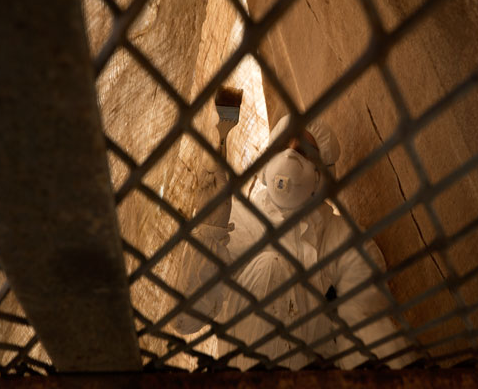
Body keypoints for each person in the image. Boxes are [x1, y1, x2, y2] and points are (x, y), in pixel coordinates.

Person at [173, 115, 413, 369]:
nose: (288, 157)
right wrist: (210, 229)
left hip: (312, 374)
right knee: (271, 266)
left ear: (322, 176)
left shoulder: (347, 241)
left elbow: (365, 325)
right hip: (245, 370)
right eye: (281, 147)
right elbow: (185, 321)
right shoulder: (236, 221)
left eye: (304, 152)